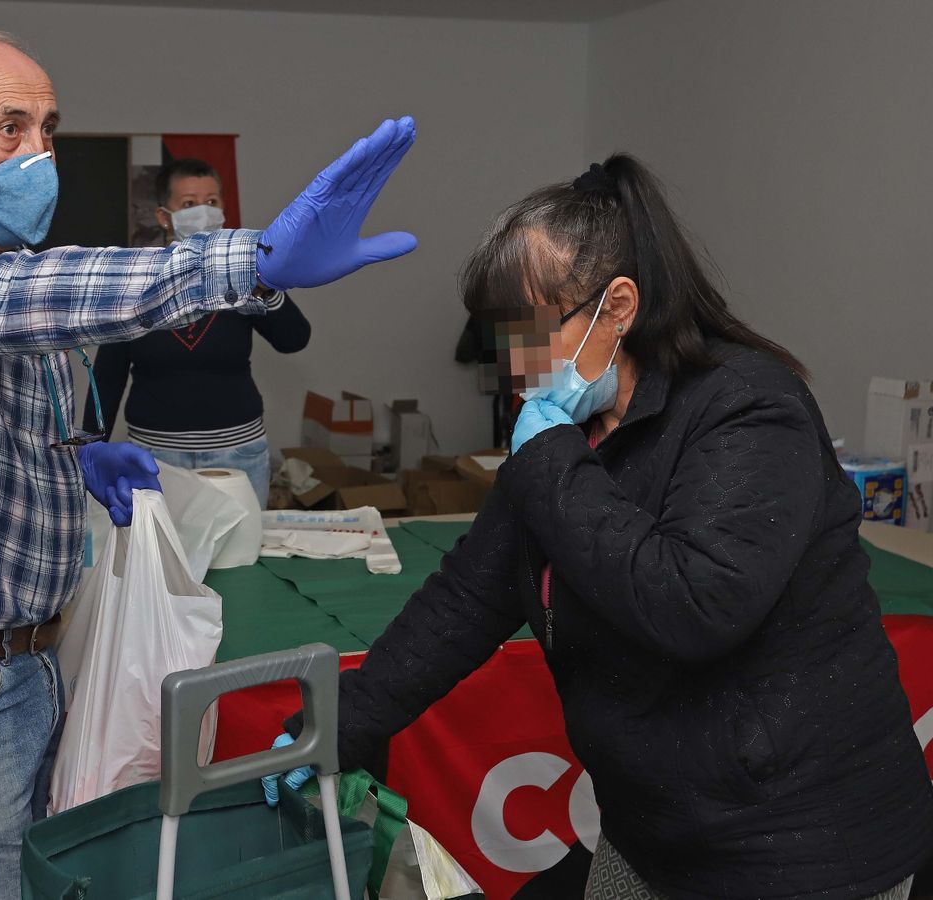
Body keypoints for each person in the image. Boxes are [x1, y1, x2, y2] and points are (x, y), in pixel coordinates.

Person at [0, 27, 417, 900]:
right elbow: (0, 307)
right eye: (10, 128)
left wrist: (75, 455)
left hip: (36, 656)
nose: (39, 154)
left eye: (48, 128)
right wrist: (252, 260)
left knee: (57, 878)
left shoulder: (0, 255)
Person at [264, 156, 933, 899]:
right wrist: (332, 727)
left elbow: (693, 605)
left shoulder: (747, 408)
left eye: (528, 334)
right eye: (499, 340)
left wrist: (550, 458)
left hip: (798, 846)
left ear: (617, 308)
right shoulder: (562, 438)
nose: (512, 368)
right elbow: (461, 603)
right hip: (653, 831)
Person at [87, 158, 310, 504]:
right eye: (189, 204)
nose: (203, 212)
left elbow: (294, 339)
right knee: (160, 557)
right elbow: (108, 378)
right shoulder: (138, 281)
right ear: (164, 216)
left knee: (241, 557)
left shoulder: (242, 274)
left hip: (237, 454)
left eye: (212, 202)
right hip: (156, 457)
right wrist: (91, 452)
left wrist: (265, 282)